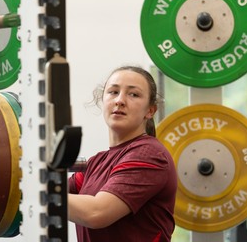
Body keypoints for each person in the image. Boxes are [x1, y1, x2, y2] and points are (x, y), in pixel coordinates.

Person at [68, 66, 177, 242]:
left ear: (150, 111)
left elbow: (96, 212)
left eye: (133, 94)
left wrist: (39, 192)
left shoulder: (149, 155)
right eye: (113, 92)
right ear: (102, 100)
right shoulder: (97, 162)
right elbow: (55, 187)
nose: (120, 100)